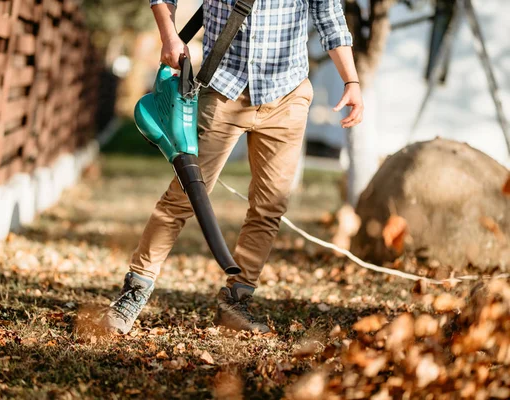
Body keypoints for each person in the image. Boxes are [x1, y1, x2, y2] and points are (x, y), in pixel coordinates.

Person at [102, 0, 364, 334]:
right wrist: (169, 37)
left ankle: (236, 302)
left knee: (270, 206)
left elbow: (329, 15)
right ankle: (133, 293)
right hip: (224, 89)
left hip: (288, 95)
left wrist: (351, 81)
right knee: (184, 195)